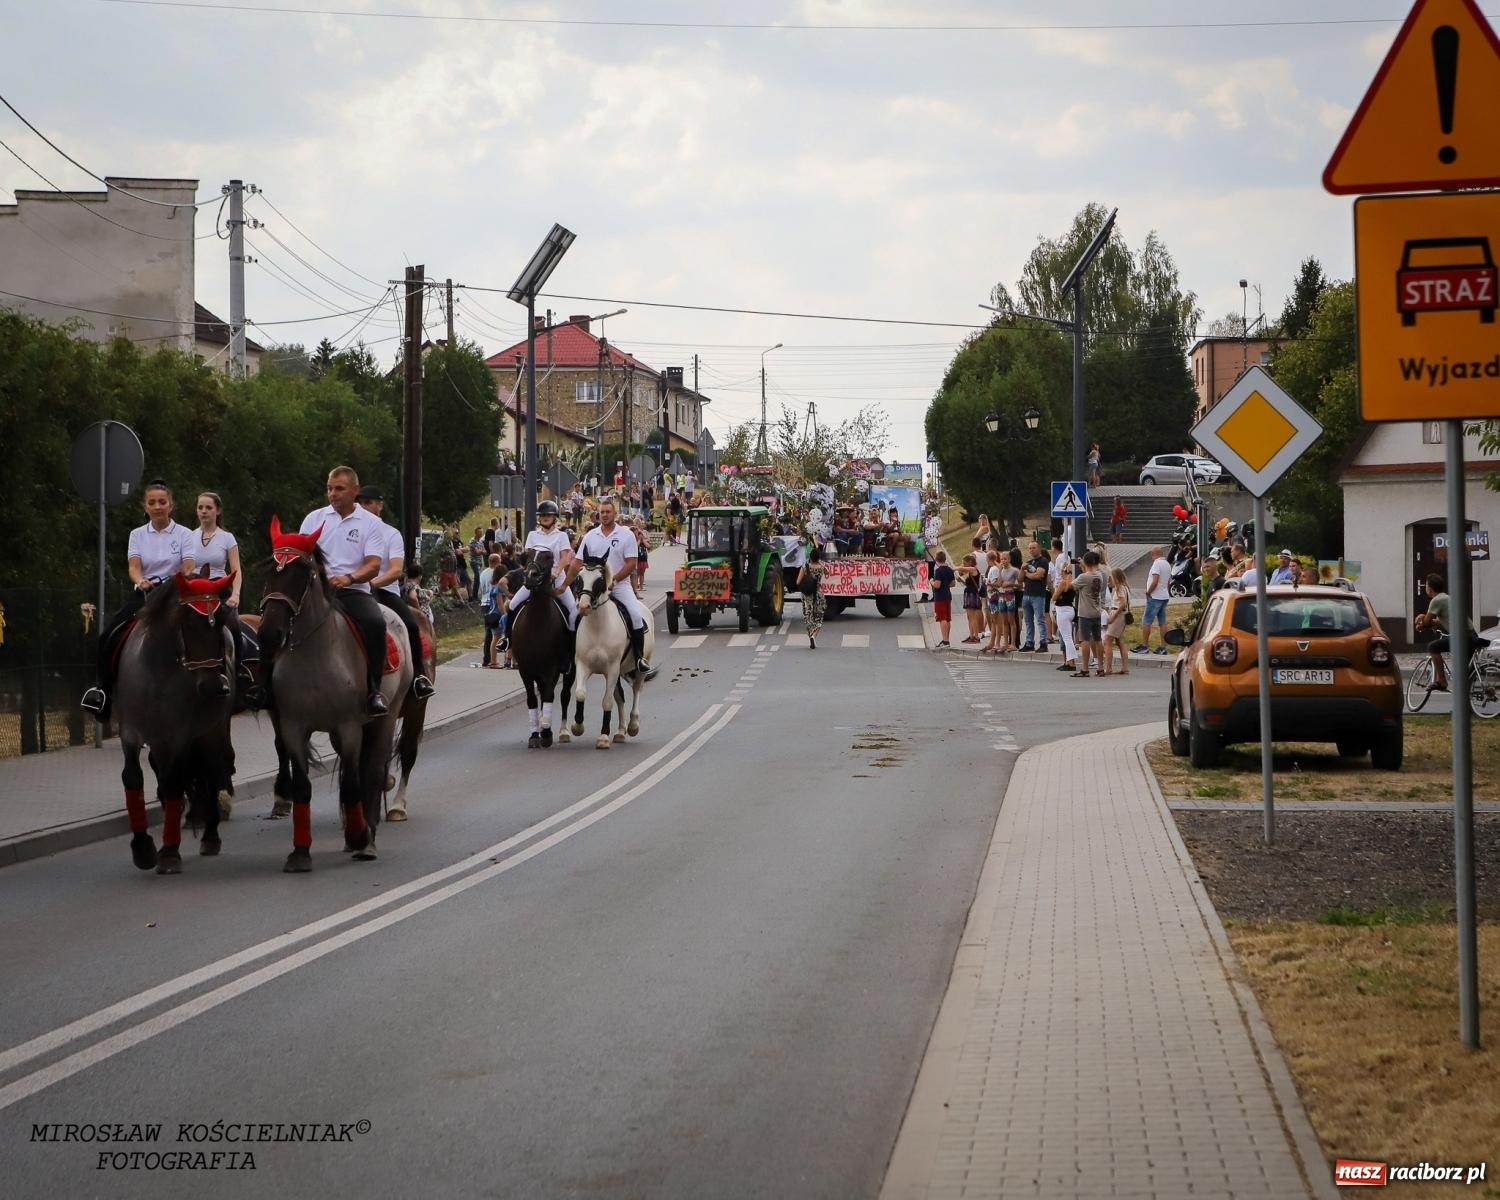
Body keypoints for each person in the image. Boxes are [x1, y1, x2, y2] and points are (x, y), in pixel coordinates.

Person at [81, 480, 198, 719]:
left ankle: (213, 680)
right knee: (109, 634)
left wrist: (176, 581)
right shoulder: (137, 535)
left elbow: (189, 566)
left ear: (171, 506)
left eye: (162, 502)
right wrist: (141, 580)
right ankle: (103, 690)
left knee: (204, 627)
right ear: (145, 507)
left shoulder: (185, 534)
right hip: (146, 592)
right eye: (152, 502)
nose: (157, 507)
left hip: (174, 593)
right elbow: (133, 567)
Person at [298, 466, 397, 716]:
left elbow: (374, 565)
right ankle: (266, 685)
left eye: (339, 489)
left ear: (355, 490)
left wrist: (349, 578)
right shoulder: (314, 518)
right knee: (276, 619)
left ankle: (374, 690)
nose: (332, 494)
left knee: (375, 623)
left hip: (353, 591)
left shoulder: (371, 523)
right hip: (316, 591)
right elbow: (300, 556)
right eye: (330, 488)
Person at [356, 486, 436, 699]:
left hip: (383, 591)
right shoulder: (351, 530)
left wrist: (372, 583)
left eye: (368, 502)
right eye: (360, 502)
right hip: (352, 590)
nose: (363, 507)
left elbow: (395, 570)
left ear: (380, 505)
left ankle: (419, 676)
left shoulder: (391, 534)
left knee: (410, 625)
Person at [568, 496, 657, 679]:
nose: (605, 515)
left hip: (619, 585)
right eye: (602, 512)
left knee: (634, 614)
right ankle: (571, 657)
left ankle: (639, 658)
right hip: (593, 588)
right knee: (572, 616)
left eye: (608, 512)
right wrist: (564, 585)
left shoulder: (626, 535)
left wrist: (613, 581)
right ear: (597, 515)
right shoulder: (591, 536)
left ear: (614, 514)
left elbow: (631, 563)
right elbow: (577, 563)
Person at [191, 490, 254, 693]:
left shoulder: (227, 538)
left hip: (219, 587)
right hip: (196, 589)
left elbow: (236, 570)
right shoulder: (188, 537)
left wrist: (235, 594)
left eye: (208, 508)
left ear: (217, 511)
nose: (204, 511)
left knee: (233, 624)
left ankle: (239, 669)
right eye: (200, 507)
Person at [500, 499, 578, 656]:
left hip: (557, 576)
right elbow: (529, 556)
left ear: (554, 517)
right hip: (535, 578)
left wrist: (556, 572)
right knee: (513, 604)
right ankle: (507, 639)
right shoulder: (533, 535)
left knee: (573, 610)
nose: (545, 517)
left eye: (548, 515)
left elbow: (564, 557)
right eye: (542, 515)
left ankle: (572, 645)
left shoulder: (561, 535)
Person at [1071, 550, 1105, 678]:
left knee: (1084, 640)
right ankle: (1100, 667)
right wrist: (1083, 565)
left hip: (1085, 612)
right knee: (1098, 639)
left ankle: (1085, 668)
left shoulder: (1083, 577)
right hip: (1096, 610)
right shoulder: (1099, 575)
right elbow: (1089, 575)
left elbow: (1071, 586)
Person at [1134, 545, 1172, 655]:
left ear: (1153, 554)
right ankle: (1163, 646)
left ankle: (1145, 645)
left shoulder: (1157, 564)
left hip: (1155, 596)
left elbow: (1155, 581)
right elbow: (1167, 581)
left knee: (1146, 621)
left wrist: (1148, 592)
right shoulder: (1167, 564)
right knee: (1162, 622)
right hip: (1164, 595)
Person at [1019, 540, 1050, 652]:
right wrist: (1023, 569)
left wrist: (1027, 573)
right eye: (1030, 548)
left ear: (1039, 548)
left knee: (1040, 619)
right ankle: (1029, 642)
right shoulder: (1028, 562)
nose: (1032, 550)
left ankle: (1043, 642)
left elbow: (1038, 575)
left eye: (1034, 548)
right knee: (1028, 620)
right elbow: (1020, 579)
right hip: (1026, 594)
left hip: (1038, 595)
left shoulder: (1043, 561)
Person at [796, 544, 827, 649]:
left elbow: (798, 581)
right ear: (818, 557)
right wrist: (821, 563)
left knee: (808, 617)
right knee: (819, 618)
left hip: (807, 595)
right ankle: (814, 636)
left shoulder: (805, 567)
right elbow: (828, 573)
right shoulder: (822, 567)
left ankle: (810, 635)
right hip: (818, 594)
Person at [1102, 567, 1132, 675]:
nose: (1110, 580)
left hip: (1118, 616)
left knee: (1107, 640)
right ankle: (1125, 667)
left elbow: (1122, 604)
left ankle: (1108, 667)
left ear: (1116, 578)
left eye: (1112, 578)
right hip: (1122, 616)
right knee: (1120, 641)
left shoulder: (1120, 588)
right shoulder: (1125, 588)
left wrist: (1113, 616)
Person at [1051, 559, 1078, 672]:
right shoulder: (1073, 581)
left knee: (1067, 638)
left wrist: (1057, 592)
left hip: (1062, 610)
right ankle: (1069, 661)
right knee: (1068, 636)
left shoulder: (1063, 582)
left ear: (1063, 571)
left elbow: (1054, 597)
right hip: (1070, 608)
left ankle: (1070, 662)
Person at [929, 549, 955, 647]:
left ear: (936, 560)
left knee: (942, 618)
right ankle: (947, 639)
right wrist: (946, 584)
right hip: (948, 595)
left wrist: (931, 581)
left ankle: (945, 641)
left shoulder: (938, 571)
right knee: (947, 618)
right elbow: (953, 583)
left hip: (940, 596)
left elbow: (937, 585)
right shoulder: (949, 569)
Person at [958, 552, 984, 644]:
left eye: (965, 562)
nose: (963, 564)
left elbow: (961, 569)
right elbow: (962, 573)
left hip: (972, 594)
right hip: (969, 593)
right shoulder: (970, 572)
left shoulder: (973, 569)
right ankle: (971, 635)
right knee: (969, 617)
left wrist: (957, 567)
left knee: (973, 617)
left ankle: (976, 636)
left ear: (969, 562)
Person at [467, 527, 487, 602]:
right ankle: (474, 596)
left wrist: (481, 551)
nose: (481, 533)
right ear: (475, 532)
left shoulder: (481, 541)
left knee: (478, 579)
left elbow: (484, 551)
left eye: (482, 532)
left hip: (479, 562)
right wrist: (481, 551)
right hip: (474, 561)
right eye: (479, 532)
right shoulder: (472, 541)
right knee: (477, 578)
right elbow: (476, 552)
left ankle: (475, 596)